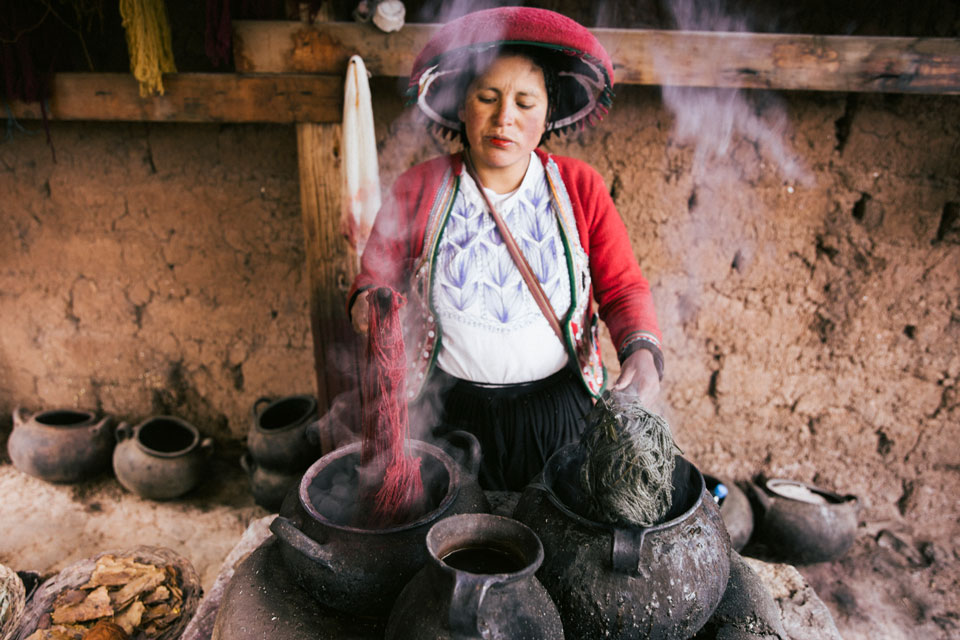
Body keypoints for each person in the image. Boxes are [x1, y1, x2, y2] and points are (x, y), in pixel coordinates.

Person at [349, 7, 663, 491]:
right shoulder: (419, 188)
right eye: (488, 97)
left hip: (559, 416)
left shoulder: (580, 189)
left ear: (548, 113)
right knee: (454, 543)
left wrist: (641, 350)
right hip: (448, 416)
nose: (504, 118)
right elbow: (372, 280)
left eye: (525, 101)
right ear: (462, 105)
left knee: (554, 539)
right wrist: (373, 310)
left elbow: (622, 289)